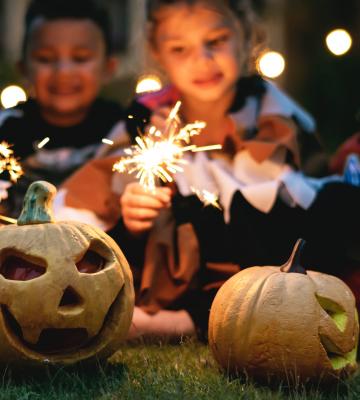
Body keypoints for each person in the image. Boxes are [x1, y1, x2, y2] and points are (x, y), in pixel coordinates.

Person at [54, 0, 360, 340]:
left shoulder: (277, 116)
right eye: (180, 49)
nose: (202, 60)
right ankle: (186, 317)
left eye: (215, 42)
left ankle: (202, 319)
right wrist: (132, 215)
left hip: (266, 256)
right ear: (158, 53)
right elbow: (101, 198)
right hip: (179, 265)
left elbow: (309, 183)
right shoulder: (143, 124)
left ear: (245, 38)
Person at [0, 0, 124, 218]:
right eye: (45, 59)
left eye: (80, 58)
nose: (63, 71)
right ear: (23, 68)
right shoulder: (6, 130)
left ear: (109, 67)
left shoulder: (123, 134)